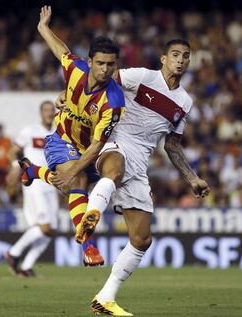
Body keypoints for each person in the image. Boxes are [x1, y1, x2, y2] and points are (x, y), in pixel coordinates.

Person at [52, 39, 210, 316]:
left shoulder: (185, 102)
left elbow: (171, 146)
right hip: (112, 140)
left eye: (186, 56)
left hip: (141, 159)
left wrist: (192, 178)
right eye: (175, 54)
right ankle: (91, 217)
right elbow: (99, 77)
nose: (181, 60)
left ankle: (105, 298)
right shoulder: (142, 76)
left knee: (142, 239)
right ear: (163, 58)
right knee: (114, 169)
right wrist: (69, 97)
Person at [19, 5, 125, 266]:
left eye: (111, 65)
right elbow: (61, 51)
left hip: (91, 149)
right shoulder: (76, 70)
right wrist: (43, 27)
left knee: (75, 184)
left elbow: (98, 144)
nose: (105, 69)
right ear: (89, 62)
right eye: (100, 63)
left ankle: (33, 172)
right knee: (75, 182)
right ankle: (89, 247)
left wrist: (70, 171)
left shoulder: (113, 102)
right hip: (62, 139)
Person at [4, 101, 58, 277]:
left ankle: (26, 267)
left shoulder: (59, 132)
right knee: (44, 227)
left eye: (52, 110)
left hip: (52, 183)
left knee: (51, 230)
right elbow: (12, 152)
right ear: (41, 113)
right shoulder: (30, 130)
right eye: (46, 110)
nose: (50, 113)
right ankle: (13, 253)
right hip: (34, 181)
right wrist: (15, 165)